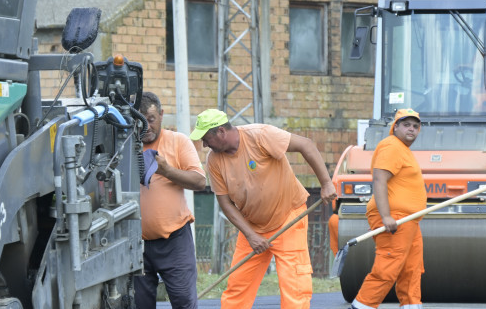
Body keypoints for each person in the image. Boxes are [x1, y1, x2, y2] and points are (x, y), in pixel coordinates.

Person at [190, 109, 337, 309]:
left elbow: (306, 145)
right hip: (253, 226)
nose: (205, 144)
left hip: (288, 218)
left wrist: (326, 183)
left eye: (206, 139)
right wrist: (251, 235)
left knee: (295, 289)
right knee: (237, 288)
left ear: (221, 132)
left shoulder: (260, 135)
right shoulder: (214, 161)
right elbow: (225, 203)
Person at [134, 92, 206, 309]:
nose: (146, 126)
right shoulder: (125, 145)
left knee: (184, 302)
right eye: (140, 120)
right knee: (139, 304)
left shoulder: (178, 141)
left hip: (175, 240)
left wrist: (166, 171)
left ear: (162, 115)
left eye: (151, 119)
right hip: (136, 244)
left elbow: (199, 181)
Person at [350, 108, 426, 309]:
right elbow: (379, 180)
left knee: (412, 268)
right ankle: (361, 306)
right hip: (396, 218)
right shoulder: (391, 146)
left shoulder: (402, 150)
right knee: (388, 267)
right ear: (396, 127)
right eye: (406, 124)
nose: (412, 129)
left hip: (409, 219)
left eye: (415, 126)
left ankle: (411, 305)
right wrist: (385, 216)